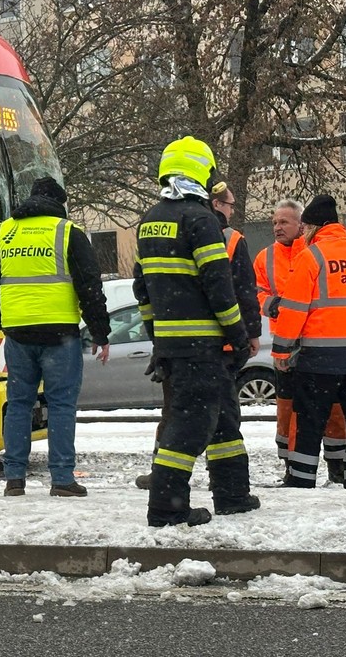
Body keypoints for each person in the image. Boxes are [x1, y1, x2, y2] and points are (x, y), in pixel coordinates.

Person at [133, 136, 256, 527]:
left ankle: (233, 494)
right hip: (205, 345)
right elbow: (219, 288)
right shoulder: (201, 219)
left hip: (177, 345)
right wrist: (238, 336)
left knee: (221, 417)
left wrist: (159, 339)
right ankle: (167, 508)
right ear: (202, 173)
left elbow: (142, 288)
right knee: (190, 424)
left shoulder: (150, 220)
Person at [0, 176, 111, 498]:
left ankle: (14, 479)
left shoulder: (3, 233)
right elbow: (90, 286)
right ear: (59, 203)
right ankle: (62, 479)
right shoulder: (67, 233)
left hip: (18, 336)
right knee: (62, 404)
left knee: (19, 404)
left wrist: (5, 320)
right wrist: (100, 332)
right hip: (60, 335)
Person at [271, 194, 346, 489]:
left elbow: (293, 309)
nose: (303, 233)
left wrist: (281, 349)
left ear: (315, 227)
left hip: (320, 357)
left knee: (310, 419)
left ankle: (301, 479)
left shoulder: (311, 257)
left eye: (305, 228)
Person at [254, 199, 346, 484]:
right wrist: (274, 305)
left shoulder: (316, 252)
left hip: (319, 343)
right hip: (286, 344)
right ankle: (292, 467)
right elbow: (255, 292)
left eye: (284, 222)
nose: (277, 228)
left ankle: (337, 466)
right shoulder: (264, 258)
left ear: (301, 225)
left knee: (333, 408)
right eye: (274, 222)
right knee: (287, 409)